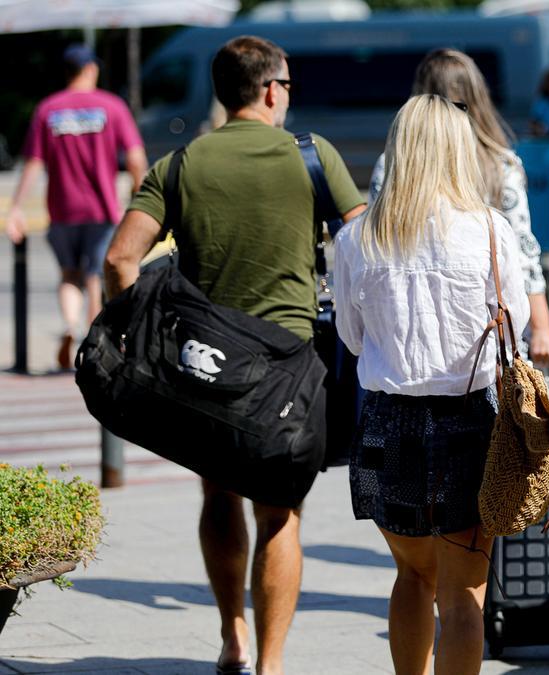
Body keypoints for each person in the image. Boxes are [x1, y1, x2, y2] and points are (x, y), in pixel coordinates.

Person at [104, 36, 365, 675]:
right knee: (280, 514)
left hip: (202, 365)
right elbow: (364, 248)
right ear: (272, 89)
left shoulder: (180, 164)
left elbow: (118, 261)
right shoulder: (312, 156)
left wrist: (139, 329)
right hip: (290, 368)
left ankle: (232, 638)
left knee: (217, 495)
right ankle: (271, 666)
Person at [335, 94, 529, 675]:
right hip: (468, 422)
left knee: (411, 575)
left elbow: (350, 337)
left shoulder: (358, 238)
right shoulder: (491, 231)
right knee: (463, 593)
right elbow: (513, 322)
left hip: (386, 421)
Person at [367, 48, 549, 367]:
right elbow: (524, 254)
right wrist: (541, 329)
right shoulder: (500, 166)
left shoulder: (391, 166)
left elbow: (377, 246)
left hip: (409, 338)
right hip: (486, 337)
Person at [6, 44, 147, 369]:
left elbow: (33, 162)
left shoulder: (48, 109)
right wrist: (140, 194)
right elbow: (136, 157)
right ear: (90, 70)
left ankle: (70, 325)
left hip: (62, 208)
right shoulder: (111, 106)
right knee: (96, 275)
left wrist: (15, 207)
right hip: (101, 208)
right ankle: (93, 340)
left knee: (70, 274)